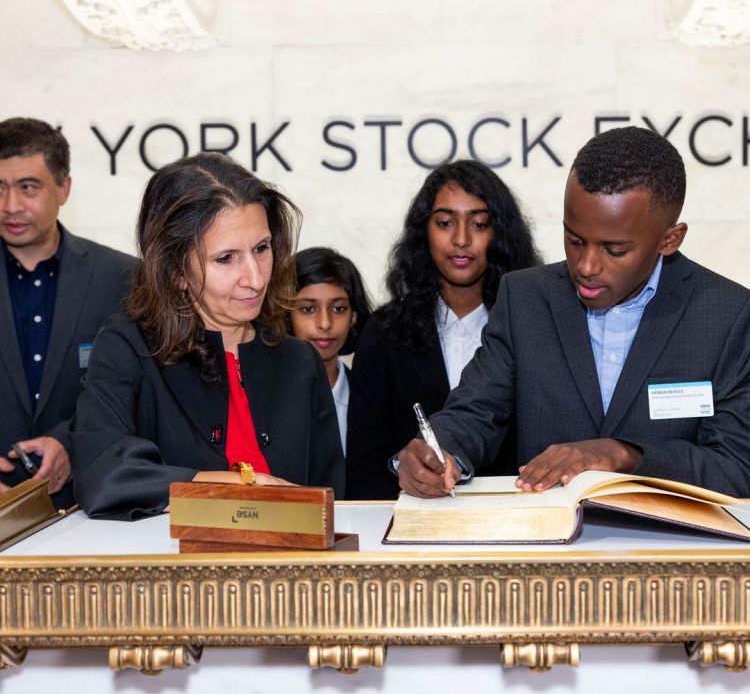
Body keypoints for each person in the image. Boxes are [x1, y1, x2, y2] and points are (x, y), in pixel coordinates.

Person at [398, 126, 750, 499]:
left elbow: (736, 466)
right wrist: (439, 451)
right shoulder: (525, 299)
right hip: (548, 534)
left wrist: (622, 455)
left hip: (669, 535)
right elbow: (475, 411)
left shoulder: (727, 315)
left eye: (614, 250)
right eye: (574, 240)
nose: (586, 266)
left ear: (669, 239)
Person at [70, 152, 344, 519]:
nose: (255, 278)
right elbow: (102, 472)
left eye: (261, 249)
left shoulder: (300, 360)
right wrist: (241, 486)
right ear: (176, 271)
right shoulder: (129, 346)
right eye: (226, 258)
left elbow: (332, 502)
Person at [346, 159, 541, 499]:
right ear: (424, 231)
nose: (461, 239)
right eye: (445, 223)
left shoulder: (532, 327)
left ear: (500, 234)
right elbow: (366, 465)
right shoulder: (385, 331)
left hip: (518, 515)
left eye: (479, 224)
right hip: (411, 519)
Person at [0, 117, 135, 507]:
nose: (11, 206)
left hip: (90, 507)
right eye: (0, 188)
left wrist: (69, 443)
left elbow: (140, 394)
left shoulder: (123, 277)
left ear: (64, 188)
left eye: (28, 187)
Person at [289, 246, 372, 455]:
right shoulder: (260, 395)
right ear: (285, 314)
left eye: (338, 309)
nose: (325, 323)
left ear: (353, 316)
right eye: (308, 309)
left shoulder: (373, 399)